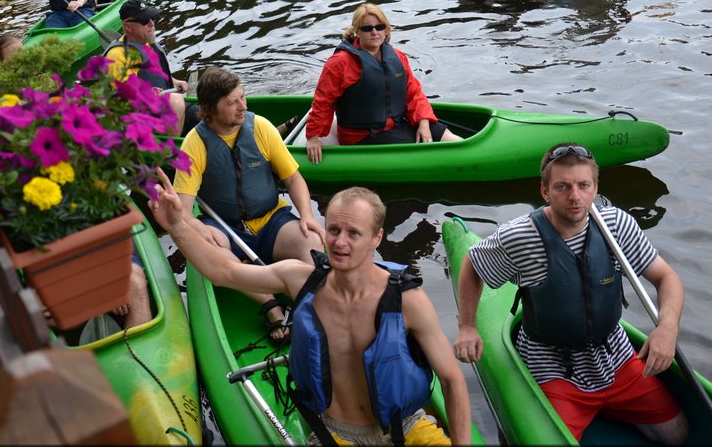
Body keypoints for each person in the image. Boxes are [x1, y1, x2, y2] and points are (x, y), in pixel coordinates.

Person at [150, 178, 472, 445]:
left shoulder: (407, 299)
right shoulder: (299, 279)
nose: (340, 243)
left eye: (354, 233)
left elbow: (452, 380)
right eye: (333, 231)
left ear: (377, 238)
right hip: (334, 434)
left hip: (406, 428)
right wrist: (177, 225)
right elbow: (224, 271)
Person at [453, 143, 690, 444]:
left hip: (612, 355)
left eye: (583, 185)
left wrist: (667, 329)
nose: (575, 197)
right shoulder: (520, 237)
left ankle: (611, 408)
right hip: (552, 364)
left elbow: (666, 277)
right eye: (562, 187)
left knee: (678, 435)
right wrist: (467, 327)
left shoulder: (617, 226)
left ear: (595, 187)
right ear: (545, 192)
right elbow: (472, 266)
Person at [174, 67, 324, 340]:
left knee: (312, 242)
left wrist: (307, 215)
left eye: (242, 97)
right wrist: (198, 227)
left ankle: (315, 307)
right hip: (226, 228)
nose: (242, 106)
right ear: (210, 109)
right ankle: (271, 305)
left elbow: (293, 179)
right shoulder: (194, 143)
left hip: (271, 220)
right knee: (206, 244)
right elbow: (183, 211)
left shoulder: (261, 128)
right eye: (232, 102)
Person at [305, 3, 462, 164]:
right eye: (367, 28)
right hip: (363, 135)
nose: (374, 32)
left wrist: (423, 122)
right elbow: (323, 102)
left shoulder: (397, 56)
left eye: (379, 27)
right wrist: (312, 137)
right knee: (421, 146)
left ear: (386, 29)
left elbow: (413, 93)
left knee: (444, 135)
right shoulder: (340, 63)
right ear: (356, 31)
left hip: (397, 123)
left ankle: (464, 151)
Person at [103, 0, 196, 138]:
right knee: (176, 101)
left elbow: (151, 74)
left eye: (152, 18)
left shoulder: (145, 41)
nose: (152, 23)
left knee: (207, 113)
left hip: (165, 107)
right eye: (144, 20)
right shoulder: (118, 55)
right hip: (143, 118)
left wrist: (173, 81)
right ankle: (170, 149)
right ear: (127, 26)